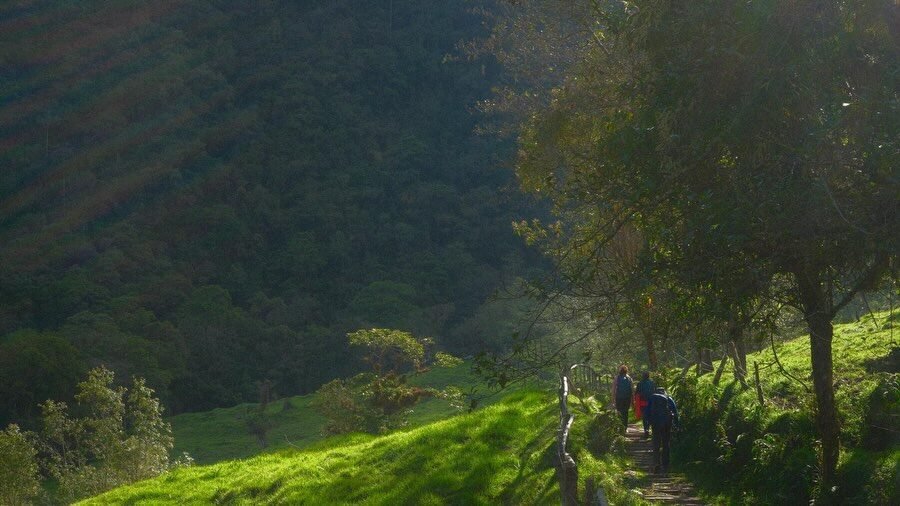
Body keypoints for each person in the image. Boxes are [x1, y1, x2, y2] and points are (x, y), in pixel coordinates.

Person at [645, 386, 679, 473]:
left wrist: (647, 426)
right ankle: (666, 465)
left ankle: (656, 464)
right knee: (666, 444)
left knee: (656, 444)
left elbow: (646, 413)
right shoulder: (668, 398)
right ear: (664, 392)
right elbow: (675, 412)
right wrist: (677, 425)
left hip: (655, 424)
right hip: (666, 425)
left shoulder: (652, 399)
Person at [611, 365, 633, 429]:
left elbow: (613, 389)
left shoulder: (617, 378)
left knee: (619, 412)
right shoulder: (629, 378)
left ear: (620, 371)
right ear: (626, 371)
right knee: (626, 412)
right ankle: (625, 427)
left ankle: (620, 427)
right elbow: (632, 389)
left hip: (619, 398)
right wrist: (632, 400)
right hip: (627, 398)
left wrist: (613, 400)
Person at [635, 371, 656, 437]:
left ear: (643, 376)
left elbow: (637, 393)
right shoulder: (652, 383)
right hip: (651, 402)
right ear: (648, 376)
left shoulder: (640, 383)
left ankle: (646, 430)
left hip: (642, 403)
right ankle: (652, 430)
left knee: (644, 417)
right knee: (651, 416)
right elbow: (654, 392)